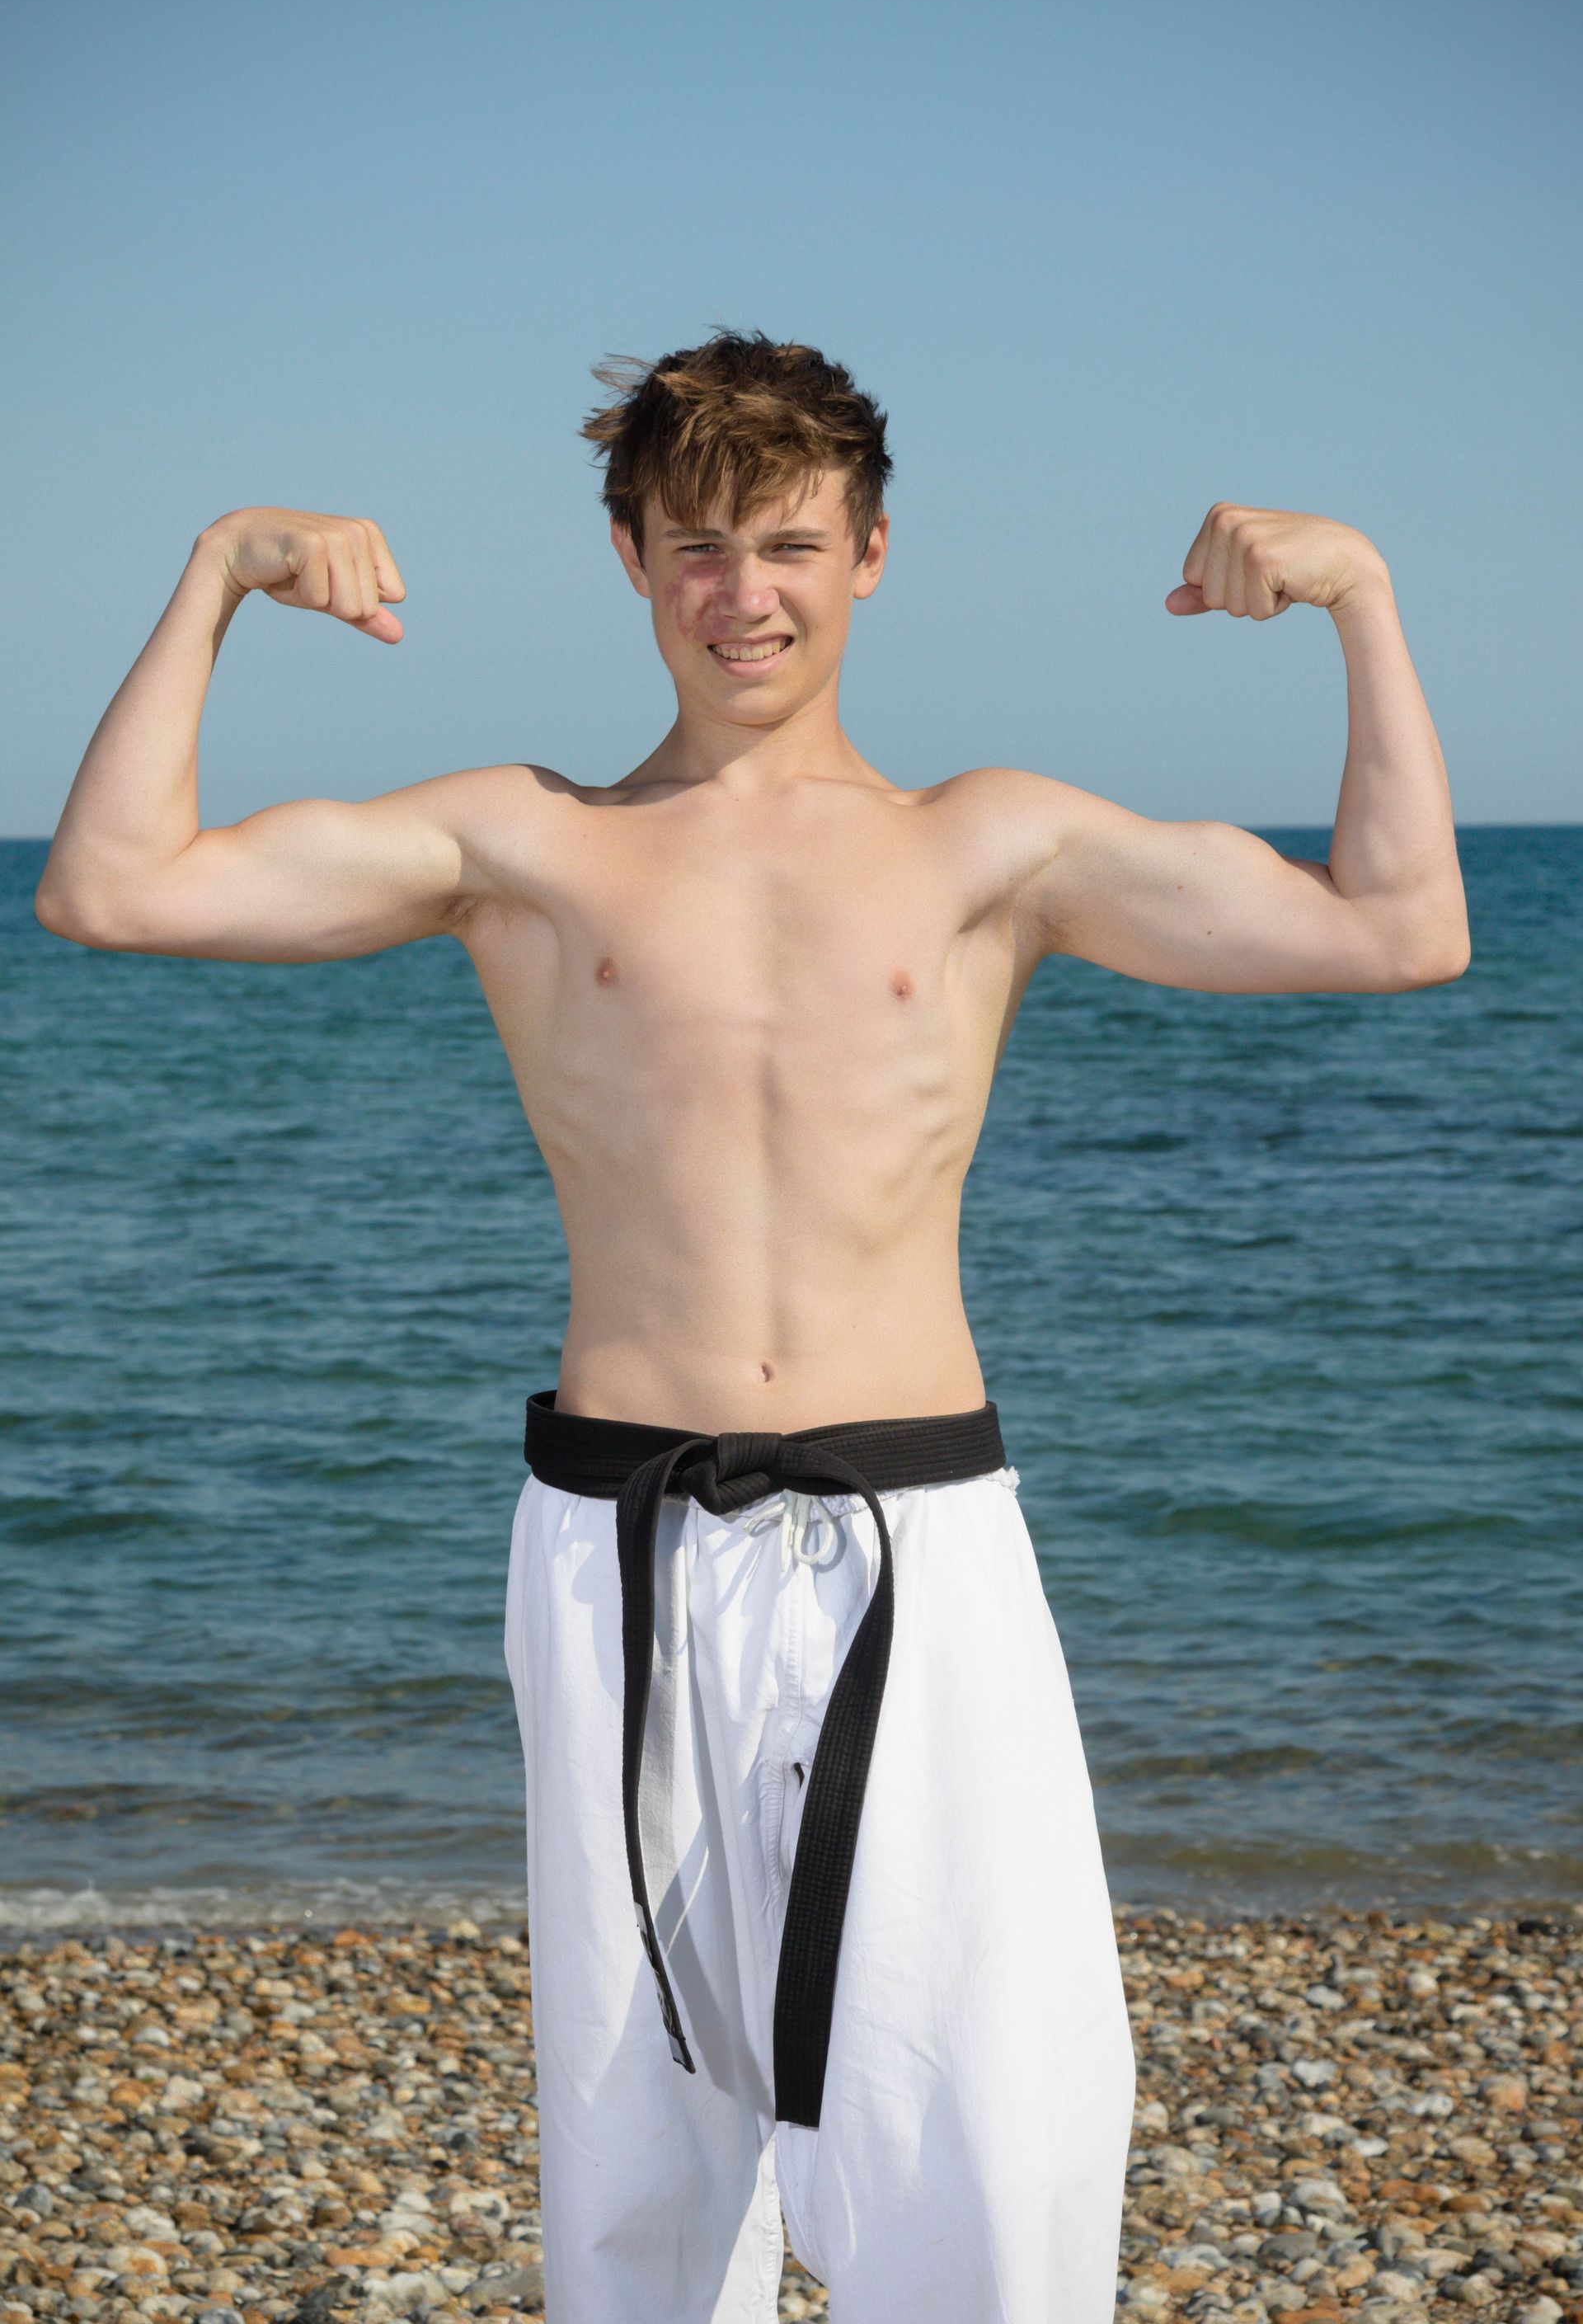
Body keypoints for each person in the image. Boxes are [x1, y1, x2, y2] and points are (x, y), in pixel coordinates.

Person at [35, 330, 1469, 2324]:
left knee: (989, 2115)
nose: (745, 595)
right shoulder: (525, 846)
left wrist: (1363, 603)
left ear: (871, 553)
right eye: (697, 546)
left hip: (921, 1542)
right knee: (637, 2151)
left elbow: (1402, 928)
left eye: (789, 542)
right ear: (630, 558)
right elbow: (113, 888)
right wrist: (212, 574)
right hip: (619, 1537)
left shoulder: (993, 847)